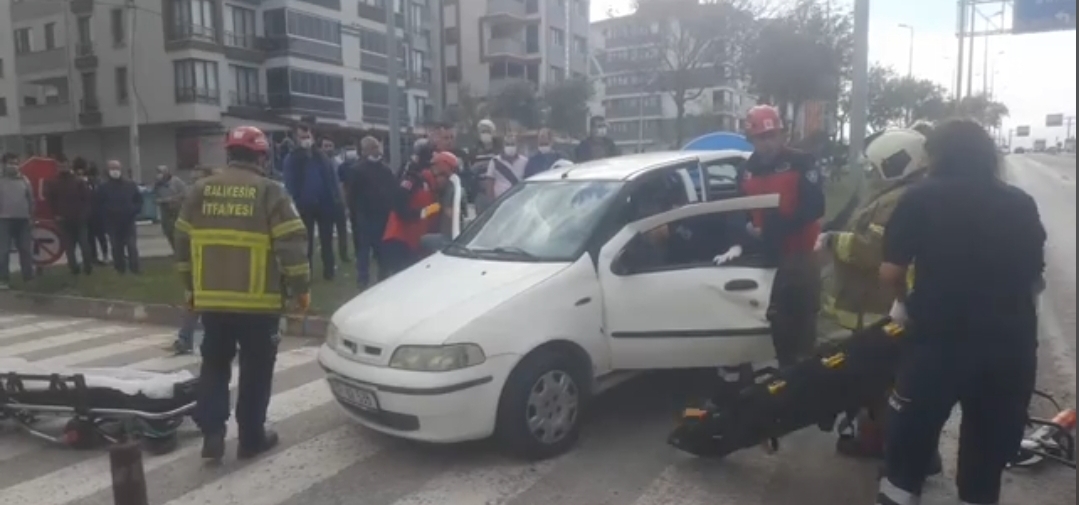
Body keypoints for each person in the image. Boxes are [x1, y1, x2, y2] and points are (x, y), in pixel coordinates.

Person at [875, 119, 1046, 505]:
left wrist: (902, 304)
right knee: (985, 463)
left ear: (936, 155)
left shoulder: (919, 198)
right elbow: (1035, 282)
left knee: (906, 454)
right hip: (1008, 349)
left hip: (938, 343)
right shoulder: (1020, 203)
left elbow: (892, 271)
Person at [174, 126, 311, 461]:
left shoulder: (199, 191)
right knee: (256, 370)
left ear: (228, 154)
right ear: (262, 156)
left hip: (213, 301)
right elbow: (291, 245)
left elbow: (181, 243)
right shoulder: (271, 192)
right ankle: (250, 439)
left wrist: (191, 287)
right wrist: (300, 289)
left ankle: (212, 434)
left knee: (215, 365)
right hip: (259, 303)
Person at [814, 128, 942, 474]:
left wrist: (833, 240)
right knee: (879, 382)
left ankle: (908, 455)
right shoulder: (901, 194)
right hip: (879, 305)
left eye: (875, 167)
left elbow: (871, 250)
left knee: (885, 383)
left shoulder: (898, 199)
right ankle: (885, 442)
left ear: (897, 162)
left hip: (879, 307)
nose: (871, 174)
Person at [718, 105, 824, 367]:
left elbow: (813, 207)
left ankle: (804, 370)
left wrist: (775, 228)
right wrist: (740, 239)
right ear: (752, 140)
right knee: (772, 319)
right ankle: (779, 369)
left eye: (772, 136)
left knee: (801, 319)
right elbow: (737, 208)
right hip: (763, 254)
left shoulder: (802, 162)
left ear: (781, 135)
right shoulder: (746, 170)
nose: (767, 143)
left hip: (799, 253)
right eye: (761, 138)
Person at [381, 151, 458, 276]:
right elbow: (399, 202)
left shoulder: (437, 194)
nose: (445, 183)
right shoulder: (415, 180)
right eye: (445, 177)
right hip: (399, 241)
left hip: (414, 244)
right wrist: (419, 214)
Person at [283, 124, 343, 281]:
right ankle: (307, 272)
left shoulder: (321, 156)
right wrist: (296, 200)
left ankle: (329, 271)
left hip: (325, 205)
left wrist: (335, 198)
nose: (305, 140)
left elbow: (331, 178)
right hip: (304, 206)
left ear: (313, 137)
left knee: (327, 240)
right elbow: (290, 182)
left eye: (307, 136)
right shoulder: (293, 158)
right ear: (296, 138)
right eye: (302, 137)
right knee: (306, 242)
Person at [344, 137, 396, 287]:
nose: (377, 150)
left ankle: (383, 276)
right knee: (363, 251)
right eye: (372, 148)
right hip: (365, 217)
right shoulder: (357, 170)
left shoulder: (385, 169)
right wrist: (354, 214)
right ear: (365, 150)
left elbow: (393, 190)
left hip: (383, 216)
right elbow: (351, 195)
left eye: (377, 147)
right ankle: (363, 279)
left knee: (382, 250)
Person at [45, 159, 94, 275]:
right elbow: (50, 201)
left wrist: (85, 215)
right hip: (63, 220)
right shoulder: (53, 182)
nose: (63, 168)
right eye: (60, 166)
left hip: (80, 219)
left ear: (69, 166)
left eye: (65, 166)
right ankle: (74, 269)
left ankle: (88, 268)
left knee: (84, 245)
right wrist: (55, 215)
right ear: (57, 167)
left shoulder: (78, 182)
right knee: (69, 248)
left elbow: (87, 200)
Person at [96, 160, 143, 274]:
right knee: (117, 247)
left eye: (116, 168)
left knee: (132, 246)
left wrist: (134, 210)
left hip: (128, 221)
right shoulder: (103, 187)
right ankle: (120, 269)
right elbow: (98, 204)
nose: (115, 171)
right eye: (112, 168)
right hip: (112, 222)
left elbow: (139, 200)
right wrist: (106, 215)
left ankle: (135, 269)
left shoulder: (130, 185)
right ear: (107, 171)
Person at [0, 152, 34, 290]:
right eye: (10, 163)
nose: (13, 166)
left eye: (15, 163)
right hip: (4, 220)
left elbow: (31, 199)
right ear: (3, 164)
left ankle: (28, 278)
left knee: (25, 250)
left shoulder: (24, 180)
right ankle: (3, 279)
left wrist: (32, 216)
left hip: (23, 220)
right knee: (3, 251)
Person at [321, 138, 352, 264]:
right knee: (326, 233)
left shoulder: (339, 163)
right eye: (326, 145)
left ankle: (344, 254)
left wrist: (344, 200)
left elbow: (342, 182)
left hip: (339, 200)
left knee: (342, 230)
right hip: (325, 202)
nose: (328, 148)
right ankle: (328, 258)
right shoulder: (320, 163)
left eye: (330, 145)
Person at [152, 165, 188, 252]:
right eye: (158, 172)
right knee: (168, 231)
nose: (159, 175)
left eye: (161, 172)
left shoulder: (176, 181)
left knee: (178, 232)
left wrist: (172, 199)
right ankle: (175, 251)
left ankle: (182, 251)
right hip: (165, 210)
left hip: (176, 209)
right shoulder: (157, 184)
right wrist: (158, 200)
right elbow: (154, 195)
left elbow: (184, 193)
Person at [484, 133, 527, 200]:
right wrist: (491, 200)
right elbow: (490, 183)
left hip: (519, 199)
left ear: (517, 145)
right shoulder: (495, 161)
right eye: (508, 144)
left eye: (512, 144)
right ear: (503, 146)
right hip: (501, 200)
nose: (510, 147)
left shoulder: (524, 161)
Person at [84, 161, 109, 265]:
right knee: (92, 238)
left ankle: (104, 255)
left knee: (101, 237)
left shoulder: (101, 185)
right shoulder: (85, 185)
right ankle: (94, 257)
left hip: (99, 215)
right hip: (90, 215)